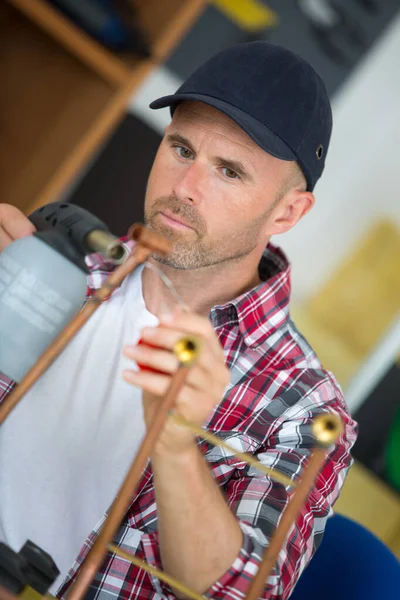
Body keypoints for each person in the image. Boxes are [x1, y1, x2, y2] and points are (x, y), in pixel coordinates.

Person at [0, 42, 357, 600]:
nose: (184, 187)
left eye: (229, 171)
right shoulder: (58, 263)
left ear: (288, 212)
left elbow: (240, 595)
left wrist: (174, 445)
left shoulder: (304, 414)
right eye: (181, 148)